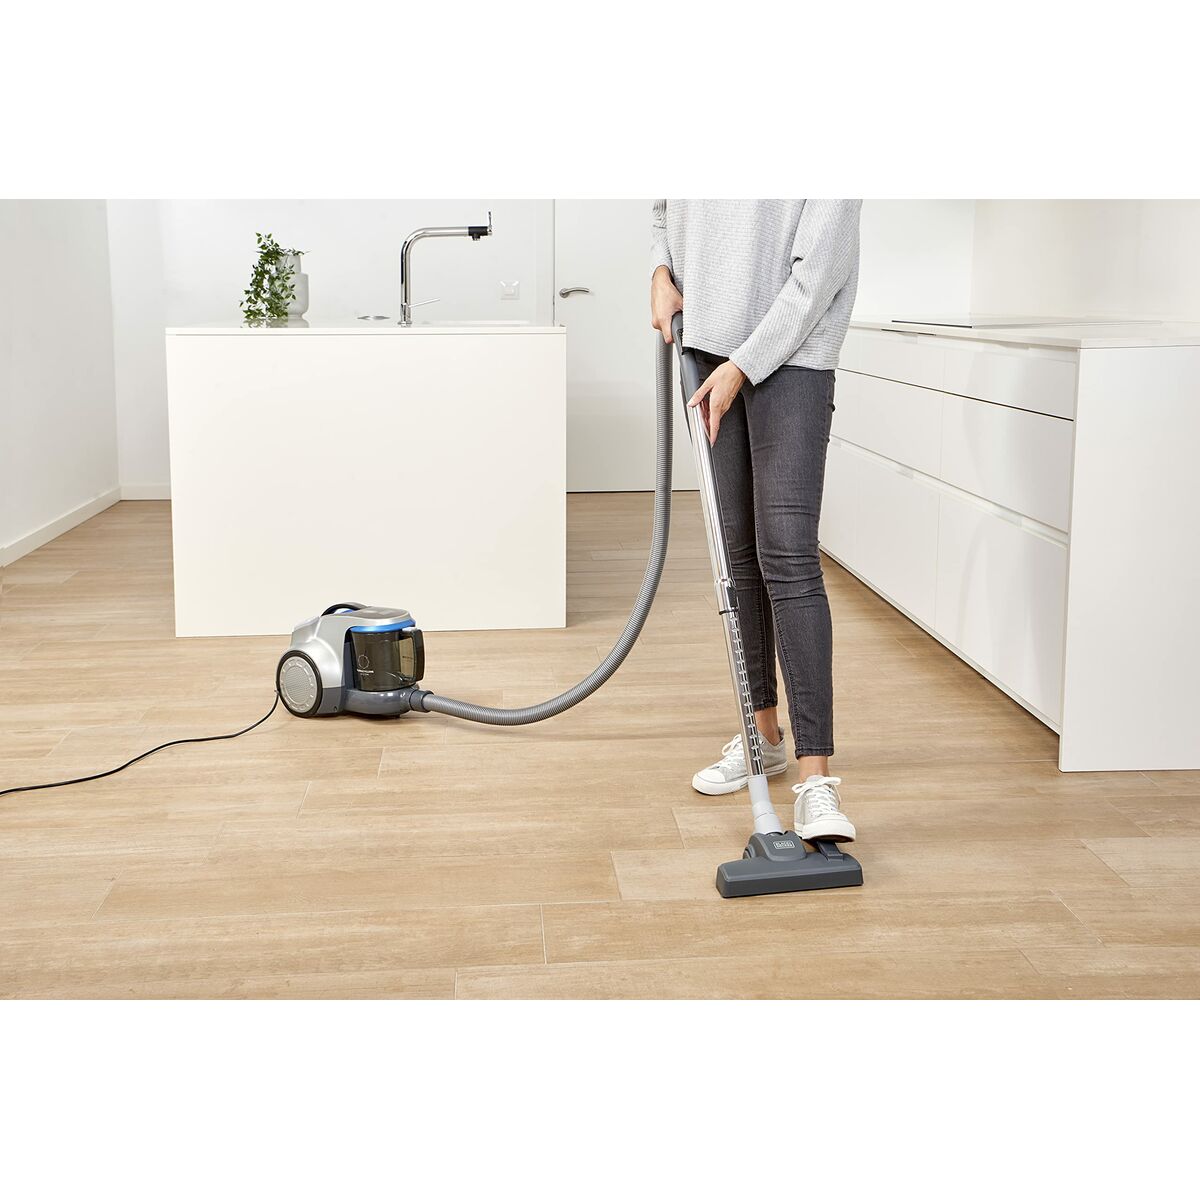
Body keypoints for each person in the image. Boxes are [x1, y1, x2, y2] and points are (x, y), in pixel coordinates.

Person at [650, 199, 861, 842]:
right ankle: (762, 736)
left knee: (788, 553)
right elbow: (662, 209)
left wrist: (743, 366)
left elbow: (819, 272)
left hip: (794, 355)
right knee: (735, 556)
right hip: (705, 348)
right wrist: (660, 271)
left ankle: (816, 778)